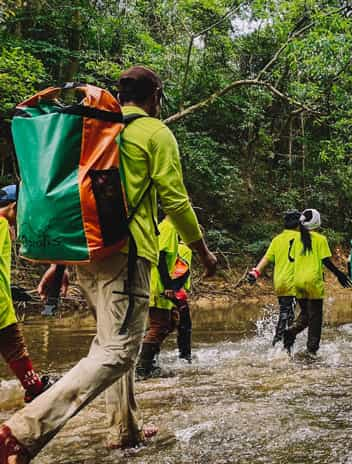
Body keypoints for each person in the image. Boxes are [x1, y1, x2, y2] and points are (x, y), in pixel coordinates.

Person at [0, 66, 217, 462]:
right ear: (155, 97)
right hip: (126, 253)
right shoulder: (153, 132)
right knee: (117, 350)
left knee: (112, 342)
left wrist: (59, 264)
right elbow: (175, 199)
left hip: (85, 254)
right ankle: (21, 432)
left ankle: (124, 428)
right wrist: (203, 252)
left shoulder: (95, 130)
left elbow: (75, 198)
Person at [0, 185, 53, 403]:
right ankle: (36, 390)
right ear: (13, 207)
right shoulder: (2, 224)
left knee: (13, 346)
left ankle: (35, 388)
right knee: (14, 346)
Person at [283, 209, 352, 356]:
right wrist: (340, 274)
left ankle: (291, 330)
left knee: (306, 314)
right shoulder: (320, 239)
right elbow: (326, 261)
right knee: (315, 318)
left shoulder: (296, 239)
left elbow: (291, 260)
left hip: (298, 281)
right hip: (313, 282)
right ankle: (311, 350)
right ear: (317, 222)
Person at [136, 217, 194, 378]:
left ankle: (150, 363)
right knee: (160, 325)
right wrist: (169, 286)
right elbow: (161, 257)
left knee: (167, 323)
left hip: (159, 284)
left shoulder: (165, 228)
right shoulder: (168, 228)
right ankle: (143, 368)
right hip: (160, 285)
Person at [247, 210, 301, 346]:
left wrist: (256, 272)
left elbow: (266, 258)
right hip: (295, 282)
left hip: (280, 282)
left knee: (286, 311)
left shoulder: (277, 239)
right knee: (291, 314)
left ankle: (281, 341)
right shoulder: (302, 239)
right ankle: (280, 343)